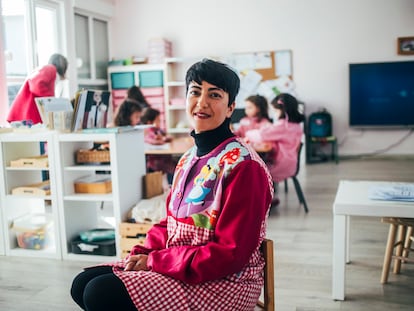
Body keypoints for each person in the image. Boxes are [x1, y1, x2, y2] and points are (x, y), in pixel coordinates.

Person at [70, 58, 273, 311]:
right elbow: (170, 222)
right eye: (195, 92)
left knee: (99, 292)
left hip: (225, 283)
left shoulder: (245, 166)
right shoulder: (189, 158)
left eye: (214, 95)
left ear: (231, 107)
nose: (202, 103)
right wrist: (142, 251)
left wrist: (155, 261)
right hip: (181, 265)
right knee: (82, 283)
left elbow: (230, 253)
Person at [245, 93, 305, 184]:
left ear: (283, 111)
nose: (274, 114)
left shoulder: (283, 126)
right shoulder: (295, 126)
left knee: (251, 172)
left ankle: (267, 196)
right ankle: (270, 195)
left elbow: (260, 135)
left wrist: (247, 133)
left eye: (276, 111)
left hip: (280, 165)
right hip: (290, 164)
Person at [7, 53, 68, 124]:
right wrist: (51, 99)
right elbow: (36, 84)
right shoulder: (50, 69)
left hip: (26, 113)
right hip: (27, 113)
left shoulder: (47, 70)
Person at [140, 107, 175, 182]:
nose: (160, 122)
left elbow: (170, 137)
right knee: (171, 168)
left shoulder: (158, 130)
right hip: (156, 163)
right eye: (158, 120)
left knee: (174, 165)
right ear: (150, 122)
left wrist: (164, 138)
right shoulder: (148, 131)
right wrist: (162, 139)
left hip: (165, 159)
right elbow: (151, 140)